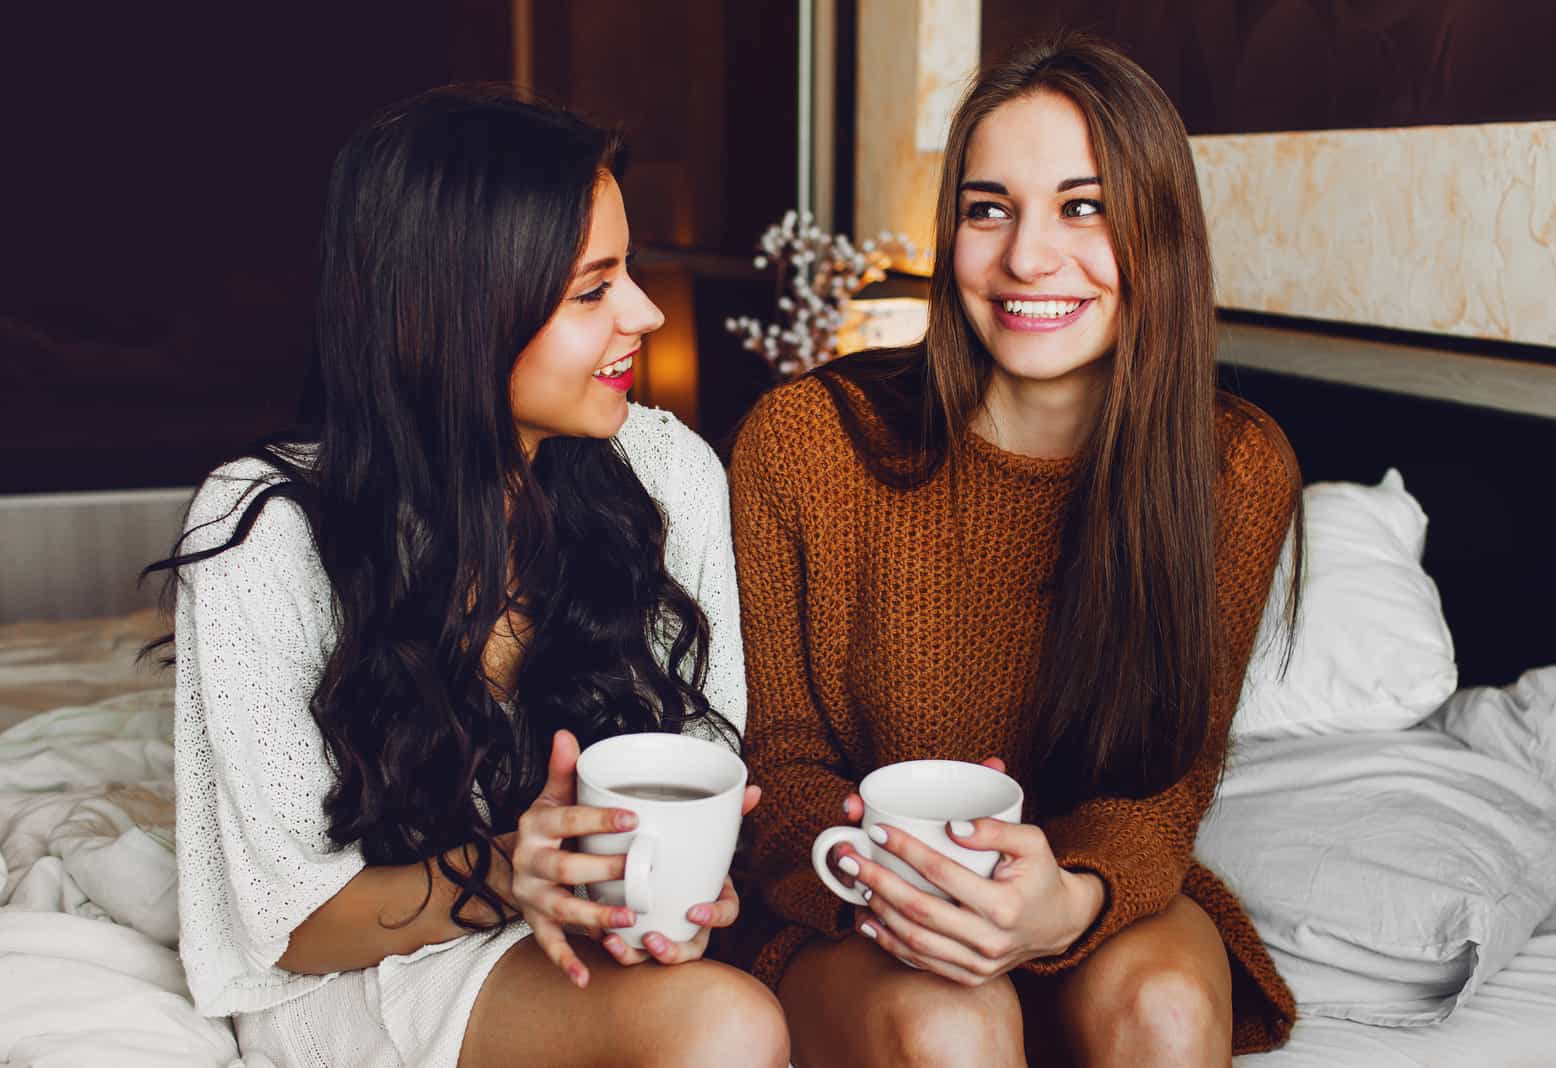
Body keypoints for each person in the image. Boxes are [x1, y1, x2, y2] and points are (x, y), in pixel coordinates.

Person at [147, 88, 788, 1068]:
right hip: (359, 968)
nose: (647, 313)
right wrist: (507, 872)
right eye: (592, 289)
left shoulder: (669, 473)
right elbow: (292, 923)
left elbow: (705, 763)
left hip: (585, 949)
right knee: (724, 1024)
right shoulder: (263, 527)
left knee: (723, 1003)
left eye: (631, 272)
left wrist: (695, 887)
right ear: (451, 312)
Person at [729, 35, 1302, 1066]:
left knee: (1166, 1011)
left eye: (1083, 206)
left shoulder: (1234, 467)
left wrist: (1067, 903)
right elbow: (781, 762)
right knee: (954, 1025)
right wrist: (907, 895)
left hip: (1094, 894)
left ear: (1157, 231)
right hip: (865, 907)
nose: (1028, 257)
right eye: (987, 208)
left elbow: (1174, 777)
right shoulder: (805, 442)